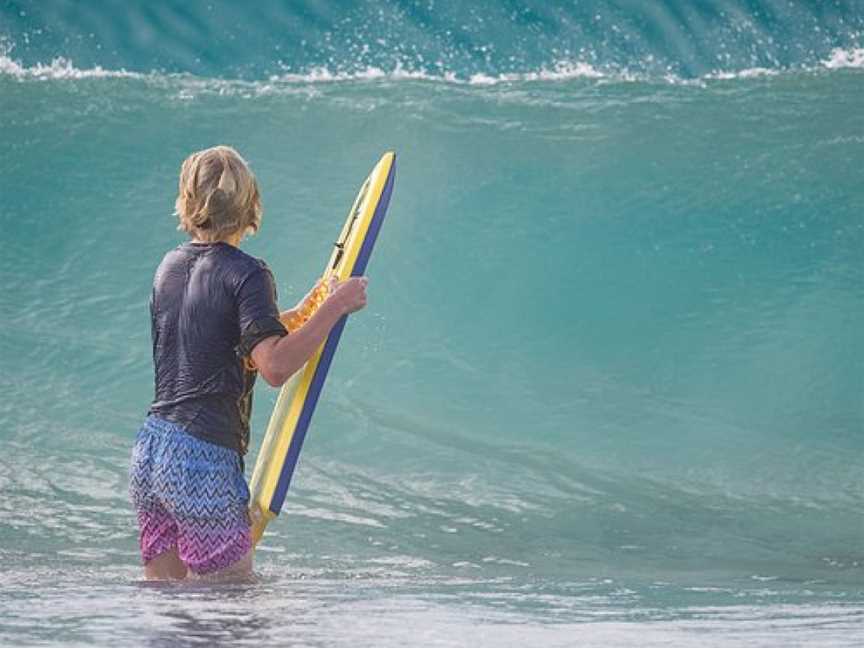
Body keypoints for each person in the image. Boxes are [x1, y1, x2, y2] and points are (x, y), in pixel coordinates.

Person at [128, 145, 367, 581]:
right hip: (200, 457)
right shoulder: (247, 272)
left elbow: (217, 343)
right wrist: (335, 309)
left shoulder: (169, 266)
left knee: (166, 614)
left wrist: (307, 308)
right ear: (250, 204)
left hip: (150, 453)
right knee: (230, 612)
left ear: (188, 201)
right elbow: (273, 366)